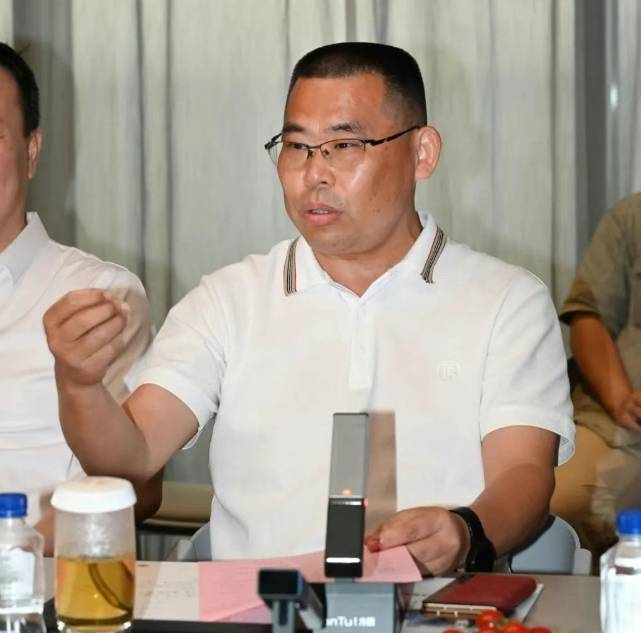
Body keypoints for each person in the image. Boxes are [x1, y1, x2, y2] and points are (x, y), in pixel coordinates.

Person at [43, 42, 574, 573]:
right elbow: (132, 457)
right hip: (256, 607)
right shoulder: (230, 301)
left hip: (441, 605)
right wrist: (80, 386)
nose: (314, 173)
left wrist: (465, 531)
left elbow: (524, 474)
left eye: (344, 145)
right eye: (297, 147)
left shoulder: (505, 300)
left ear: (422, 153)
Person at [0, 43, 160, 554]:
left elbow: (138, 490)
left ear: (31, 151)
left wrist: (18, 564)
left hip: (36, 586)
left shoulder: (97, 297)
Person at [551, 183, 641, 556]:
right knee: (546, 509)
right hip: (633, 425)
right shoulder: (634, 217)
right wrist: (622, 401)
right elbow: (589, 318)